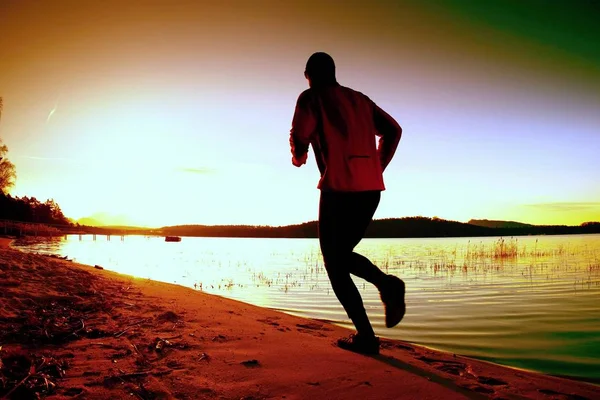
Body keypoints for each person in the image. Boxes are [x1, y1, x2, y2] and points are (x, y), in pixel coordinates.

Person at [289, 52, 405, 355]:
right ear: (334, 72)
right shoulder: (360, 100)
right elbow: (394, 130)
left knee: (333, 262)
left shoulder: (310, 97)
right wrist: (377, 166)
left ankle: (367, 333)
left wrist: (298, 157)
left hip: (338, 189)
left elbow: (299, 135)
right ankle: (386, 288)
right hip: (371, 190)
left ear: (308, 74)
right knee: (340, 256)